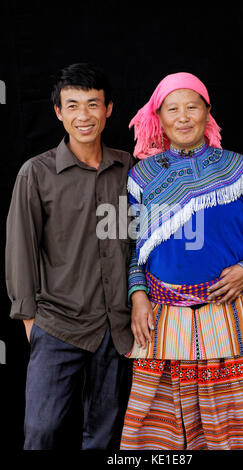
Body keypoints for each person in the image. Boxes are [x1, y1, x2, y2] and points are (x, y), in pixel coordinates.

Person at [120, 72, 243, 450]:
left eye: (192, 107)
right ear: (159, 118)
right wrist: (138, 295)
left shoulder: (239, 168)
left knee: (239, 429)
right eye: (173, 109)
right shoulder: (142, 178)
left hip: (230, 313)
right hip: (164, 319)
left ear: (207, 113)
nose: (183, 117)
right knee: (158, 434)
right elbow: (134, 249)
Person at [5, 63, 134, 450]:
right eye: (72, 105)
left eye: (92, 105)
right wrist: (29, 317)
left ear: (108, 109)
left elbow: (142, 241)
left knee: (104, 436)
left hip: (116, 326)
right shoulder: (36, 173)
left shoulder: (129, 168)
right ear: (59, 112)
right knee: (41, 432)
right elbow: (20, 248)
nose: (83, 116)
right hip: (58, 322)